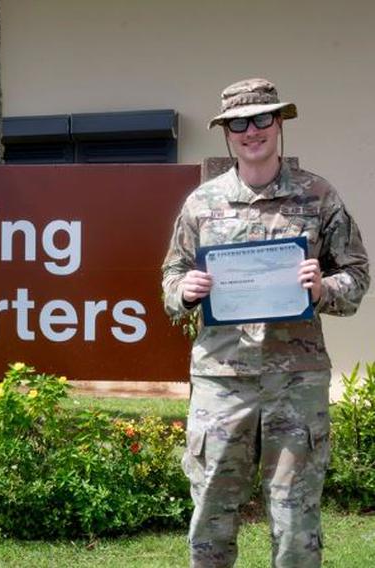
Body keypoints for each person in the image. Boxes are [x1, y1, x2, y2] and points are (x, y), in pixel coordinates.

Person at [161, 78, 370, 567]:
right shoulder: (202, 204)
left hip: (296, 383)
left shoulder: (318, 196)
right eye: (238, 123)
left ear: (279, 123)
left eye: (261, 119)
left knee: (296, 518)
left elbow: (356, 275)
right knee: (211, 515)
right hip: (221, 380)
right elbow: (171, 274)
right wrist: (184, 291)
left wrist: (322, 290)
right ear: (226, 134)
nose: (250, 131)